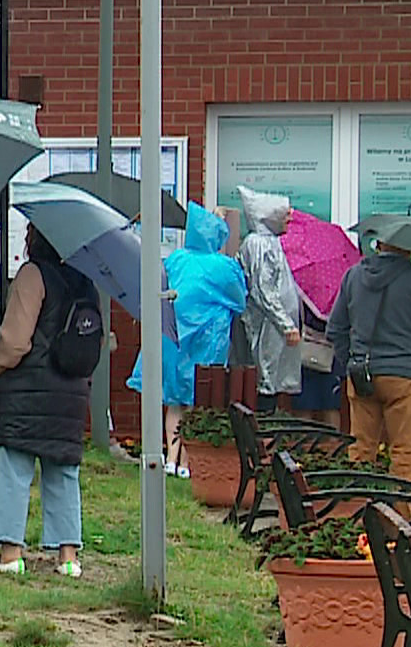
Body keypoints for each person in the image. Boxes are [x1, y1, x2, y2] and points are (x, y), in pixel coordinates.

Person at [0, 226, 98, 578]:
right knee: (63, 471)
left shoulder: (33, 275)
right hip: (71, 390)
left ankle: (11, 554)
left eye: (30, 233)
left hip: (27, 389)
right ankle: (68, 558)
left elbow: (16, 340)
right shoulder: (85, 282)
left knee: (14, 467)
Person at [128, 202, 246, 476]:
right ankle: (188, 462)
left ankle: (171, 457)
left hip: (171, 339)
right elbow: (240, 301)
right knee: (197, 400)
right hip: (206, 342)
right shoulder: (225, 267)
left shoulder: (177, 259)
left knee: (173, 400)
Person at [328, 235, 411, 482]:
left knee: (361, 450)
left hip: (363, 374)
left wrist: (352, 359)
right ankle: (399, 517)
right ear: (408, 248)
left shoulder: (353, 275)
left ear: (379, 245)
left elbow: (335, 328)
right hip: (404, 375)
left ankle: (359, 512)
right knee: (404, 453)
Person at [237, 186, 303, 412]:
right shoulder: (259, 245)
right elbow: (264, 290)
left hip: (274, 326)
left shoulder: (269, 242)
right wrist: (286, 324)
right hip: (268, 326)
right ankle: (263, 429)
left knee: (273, 378)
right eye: (284, 213)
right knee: (266, 376)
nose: (290, 217)